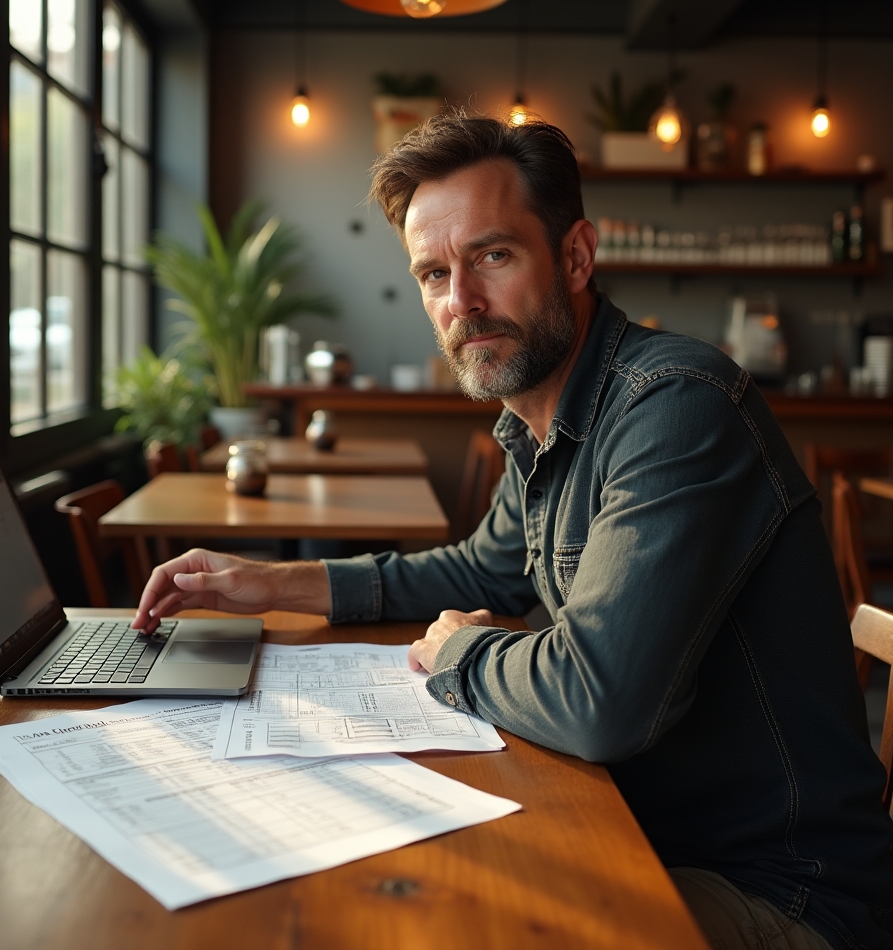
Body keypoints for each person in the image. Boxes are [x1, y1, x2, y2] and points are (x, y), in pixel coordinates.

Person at [133, 111, 893, 950]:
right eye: (432, 273)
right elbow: (478, 572)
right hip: (642, 831)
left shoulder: (676, 404)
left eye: (491, 255)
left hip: (774, 891)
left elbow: (596, 701)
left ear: (574, 256)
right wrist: (274, 584)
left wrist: (458, 652)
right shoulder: (538, 423)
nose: (461, 302)